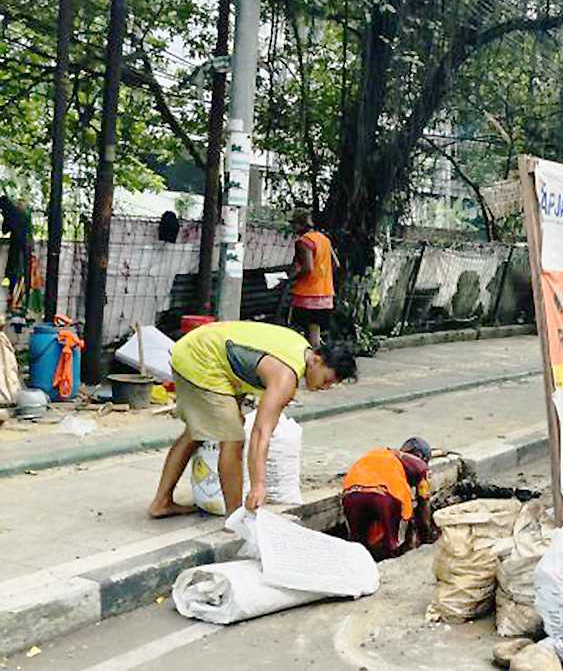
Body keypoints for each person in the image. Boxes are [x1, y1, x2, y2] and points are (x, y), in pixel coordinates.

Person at [147, 321, 357, 518]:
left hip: (205, 350)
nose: (325, 386)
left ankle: (162, 502)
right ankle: (235, 518)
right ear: (317, 360)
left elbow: (245, 358)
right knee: (233, 439)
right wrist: (259, 486)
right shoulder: (286, 376)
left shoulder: (300, 348)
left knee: (199, 431)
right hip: (202, 358)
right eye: (327, 379)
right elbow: (261, 433)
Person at [342, 437, 439, 561]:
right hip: (385, 497)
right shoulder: (418, 464)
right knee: (395, 543)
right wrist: (426, 535)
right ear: (419, 455)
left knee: (357, 543)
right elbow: (423, 502)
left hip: (351, 494)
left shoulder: (377, 453)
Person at [288, 209, 340, 349]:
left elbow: (308, 268)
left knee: (303, 336)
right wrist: (322, 274)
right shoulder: (323, 239)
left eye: (293, 224)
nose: (292, 228)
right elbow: (336, 264)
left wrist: (292, 278)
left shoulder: (303, 242)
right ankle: (318, 362)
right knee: (314, 335)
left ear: (300, 224)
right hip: (325, 296)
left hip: (307, 296)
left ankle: (310, 364)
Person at [0, 195, 32, 312]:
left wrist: (4, 217)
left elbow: (4, 230)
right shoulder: (20, 213)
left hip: (17, 245)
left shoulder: (9, 213)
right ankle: (20, 300)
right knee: (23, 272)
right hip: (26, 245)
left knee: (12, 271)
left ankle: (13, 299)